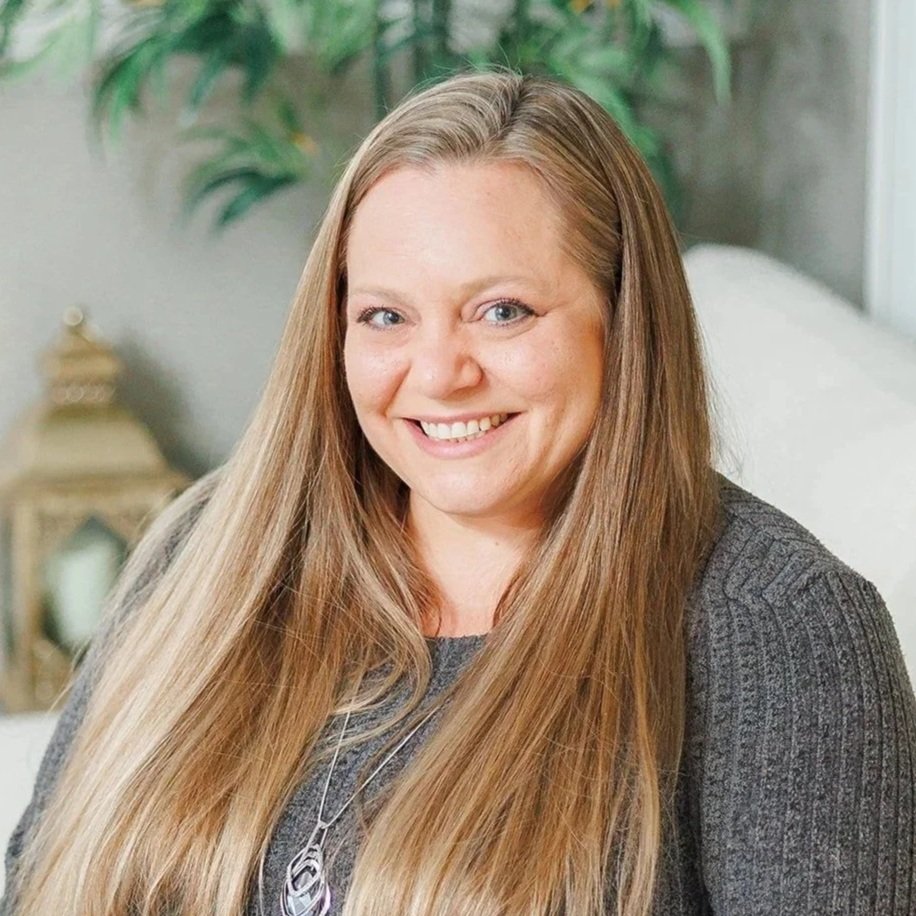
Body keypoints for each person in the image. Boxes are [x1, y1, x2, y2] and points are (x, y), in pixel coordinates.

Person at [2, 68, 914, 916]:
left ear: (624, 322)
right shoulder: (209, 547)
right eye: (386, 316)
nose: (438, 374)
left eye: (502, 311)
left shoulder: (783, 629)